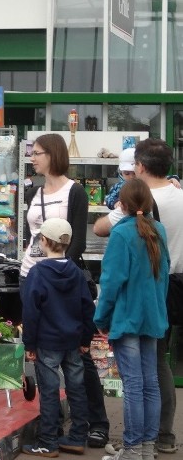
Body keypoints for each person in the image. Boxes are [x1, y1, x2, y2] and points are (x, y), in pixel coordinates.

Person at [94, 138, 183, 454]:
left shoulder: (124, 227)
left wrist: (100, 318)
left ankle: (133, 448)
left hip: (130, 313)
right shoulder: (160, 222)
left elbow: (111, 277)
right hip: (157, 306)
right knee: (153, 378)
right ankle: (153, 443)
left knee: (135, 385)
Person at [21, 133, 109, 448]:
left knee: (78, 359)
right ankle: (53, 430)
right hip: (30, 276)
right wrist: (35, 271)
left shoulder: (75, 192)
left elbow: (78, 241)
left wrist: (56, 275)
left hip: (59, 280)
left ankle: (95, 425)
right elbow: (29, 234)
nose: (33, 157)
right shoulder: (33, 190)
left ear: (54, 155)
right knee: (45, 358)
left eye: (38, 152)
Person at [21, 218, 95, 457]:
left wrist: (29, 344)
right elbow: (87, 307)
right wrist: (86, 339)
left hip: (47, 342)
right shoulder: (76, 271)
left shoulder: (37, 273)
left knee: (50, 391)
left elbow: (31, 312)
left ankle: (47, 441)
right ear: (68, 242)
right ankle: (77, 437)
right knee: (77, 389)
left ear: (43, 241)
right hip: (73, 341)